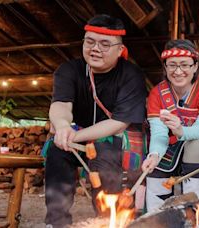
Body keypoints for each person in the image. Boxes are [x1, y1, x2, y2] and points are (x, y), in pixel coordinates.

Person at [45, 14, 146, 227]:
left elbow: (119, 122)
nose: (95, 48)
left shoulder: (132, 74)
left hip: (114, 136)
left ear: (120, 50)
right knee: (57, 152)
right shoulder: (68, 70)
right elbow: (60, 105)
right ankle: (57, 222)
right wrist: (63, 127)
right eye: (90, 41)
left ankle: (106, 220)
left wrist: (75, 136)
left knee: (106, 154)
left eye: (105, 44)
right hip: (77, 131)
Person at [141, 39, 199, 212]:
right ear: (165, 68)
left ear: (195, 66)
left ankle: (194, 212)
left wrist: (180, 130)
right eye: (172, 65)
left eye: (185, 65)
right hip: (171, 142)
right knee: (155, 162)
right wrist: (154, 154)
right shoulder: (157, 93)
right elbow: (159, 134)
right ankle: (157, 216)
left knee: (195, 146)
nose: (178, 71)